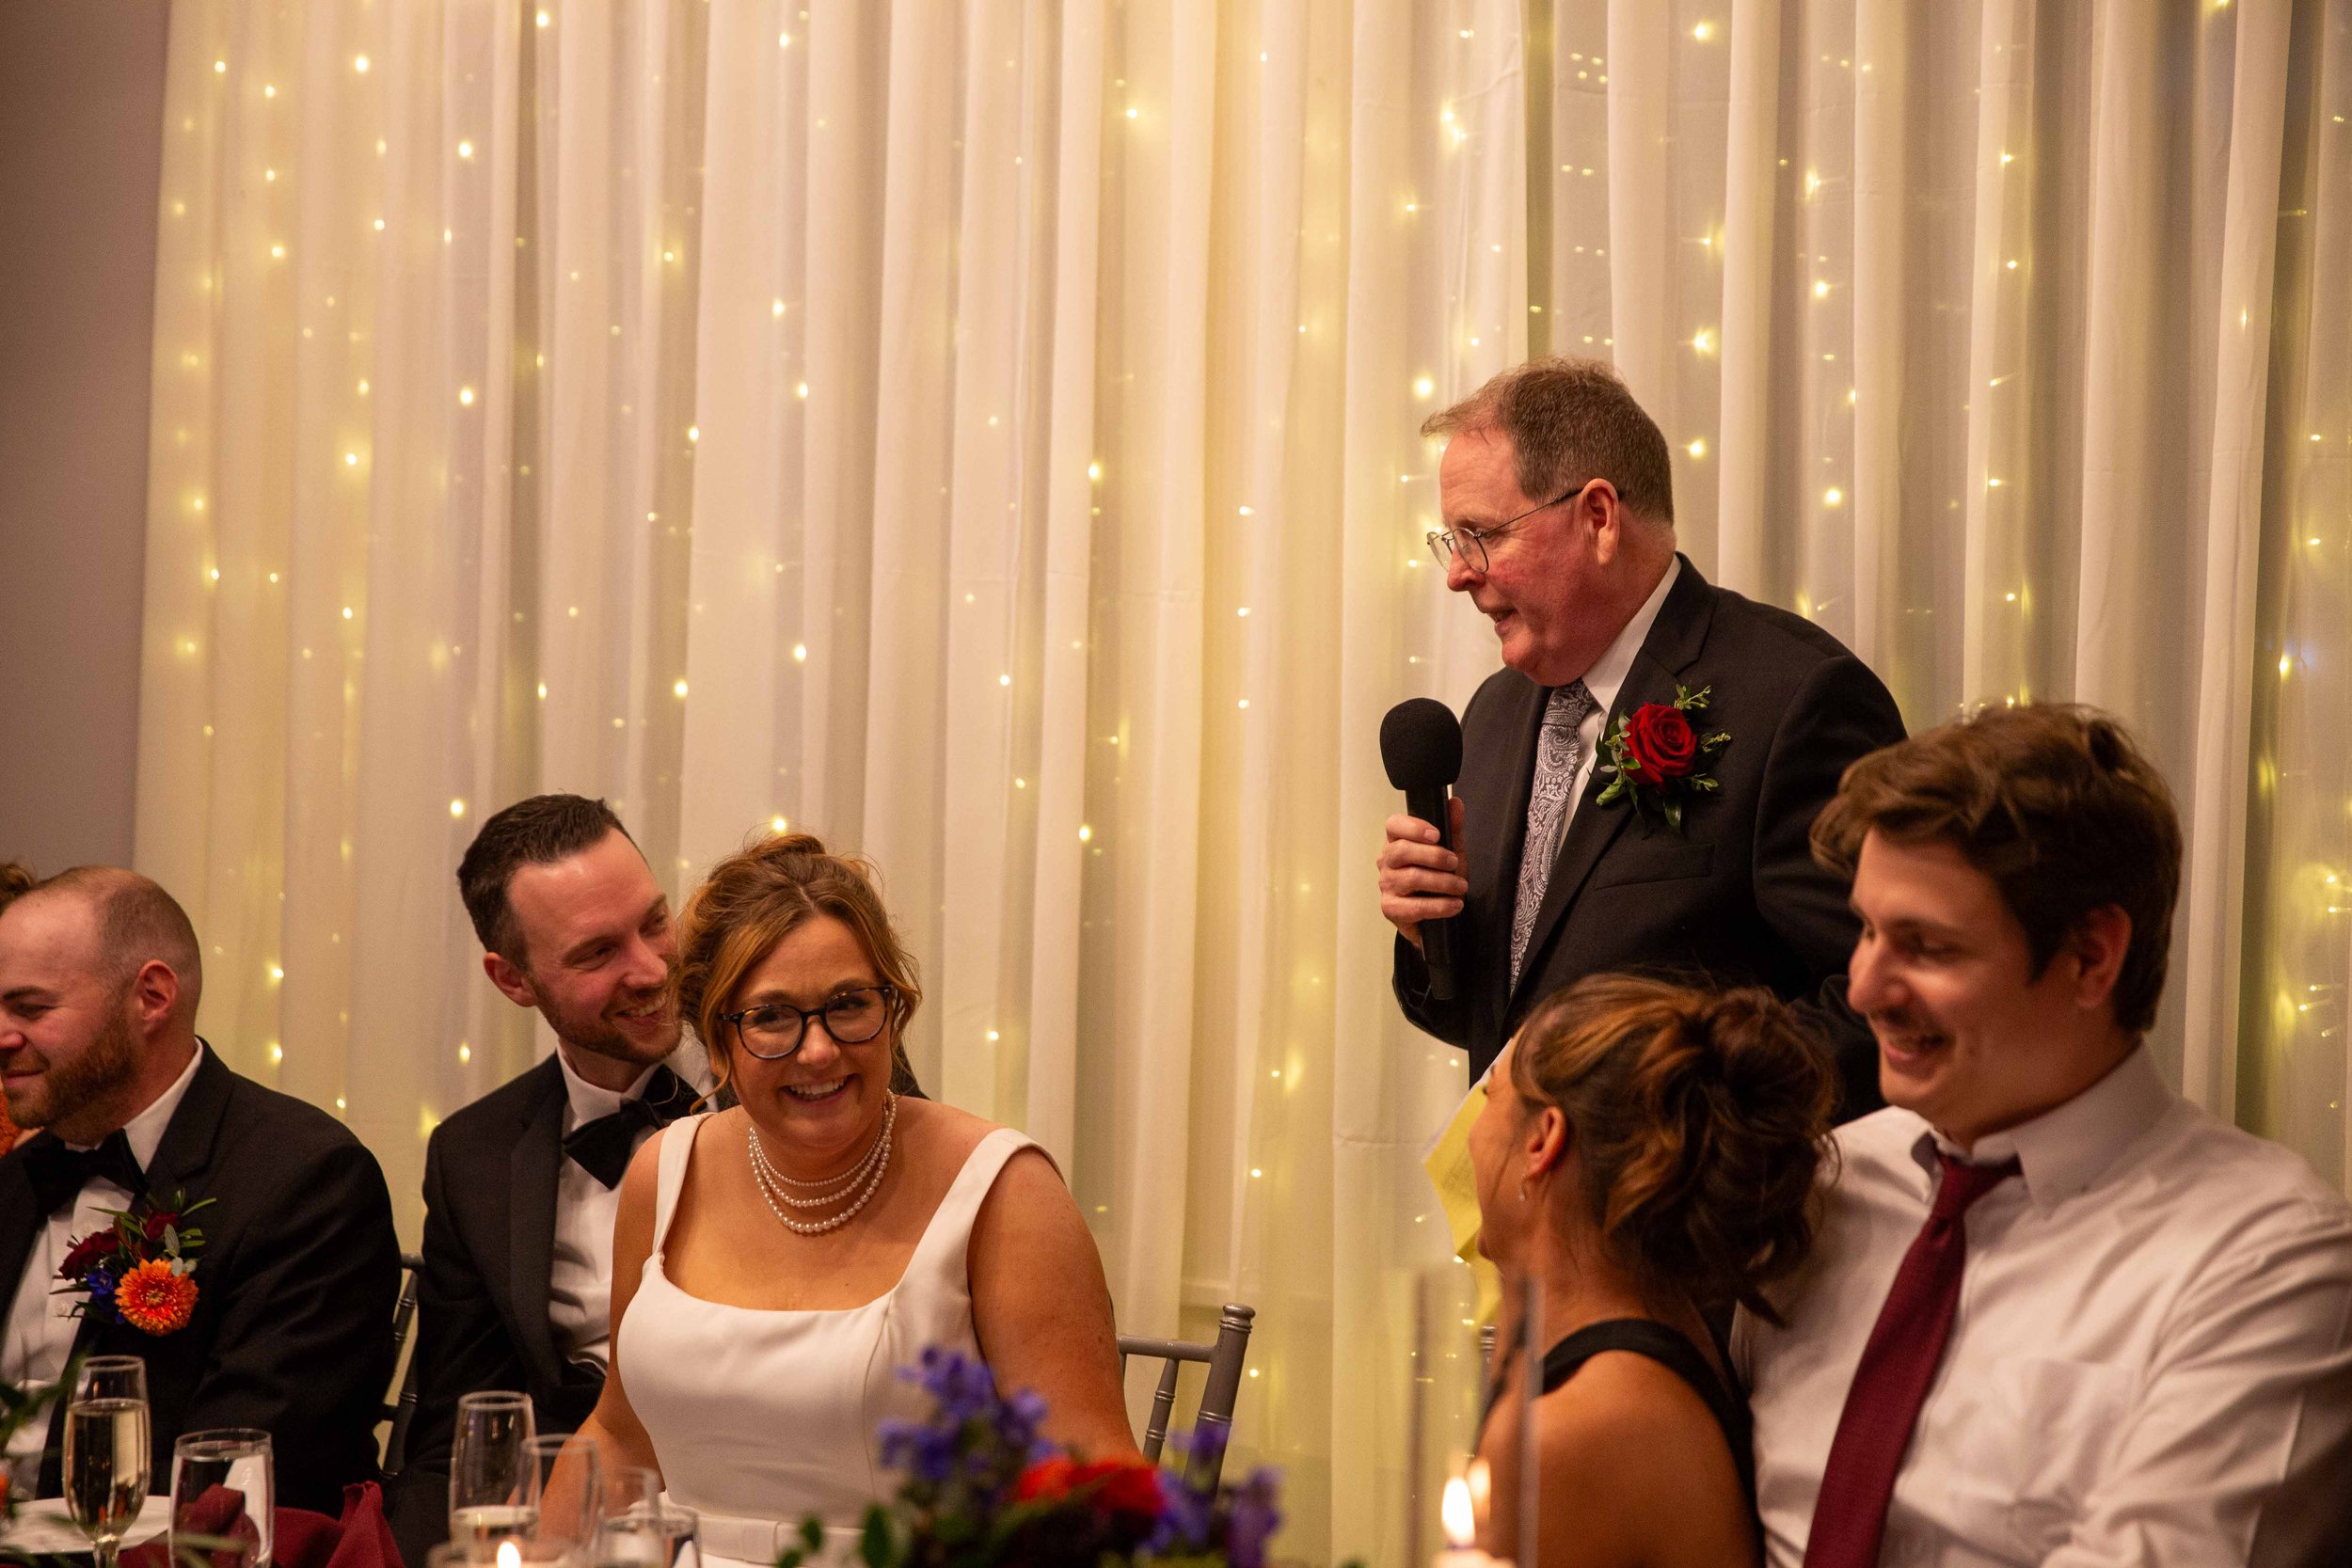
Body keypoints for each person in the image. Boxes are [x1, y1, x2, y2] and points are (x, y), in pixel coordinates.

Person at [1736, 705, 2352, 1566]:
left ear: (2092, 957)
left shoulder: (2265, 1260)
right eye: (1869, 930)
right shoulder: (1826, 1185)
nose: (1866, 987)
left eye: (1926, 946)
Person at [560, 832, 1133, 1564]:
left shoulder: (1005, 1191)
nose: (819, 1048)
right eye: (772, 1016)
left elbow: (1093, 1493)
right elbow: (620, 1433)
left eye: (848, 1003)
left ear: (892, 1010)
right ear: (719, 1040)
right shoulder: (664, 1171)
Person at [1377, 356, 1906, 1108]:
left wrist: (1663, 1106)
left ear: (1598, 518)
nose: (1458, 573)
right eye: (1451, 541)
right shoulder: (1494, 715)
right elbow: (1495, 1021)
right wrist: (1428, 932)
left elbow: (1881, 1004)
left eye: (1480, 535)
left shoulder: (1797, 699)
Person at [0, 866, 399, 1513]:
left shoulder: (305, 1179)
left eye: (31, 1007)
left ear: (153, 996)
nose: (3, 1034)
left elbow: (248, 1466)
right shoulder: (17, 1177)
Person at [391, 796, 715, 1564]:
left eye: (655, 921)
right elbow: (454, 1431)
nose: (650, 967)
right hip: (569, 1532)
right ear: (513, 980)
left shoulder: (802, 1077)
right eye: (597, 952)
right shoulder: (473, 1156)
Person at [1468, 974, 1835, 1567]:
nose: (1470, 1134)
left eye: (1489, 1098)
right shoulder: (1658, 1316)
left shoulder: (1570, 1433)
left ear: (1543, 1140)